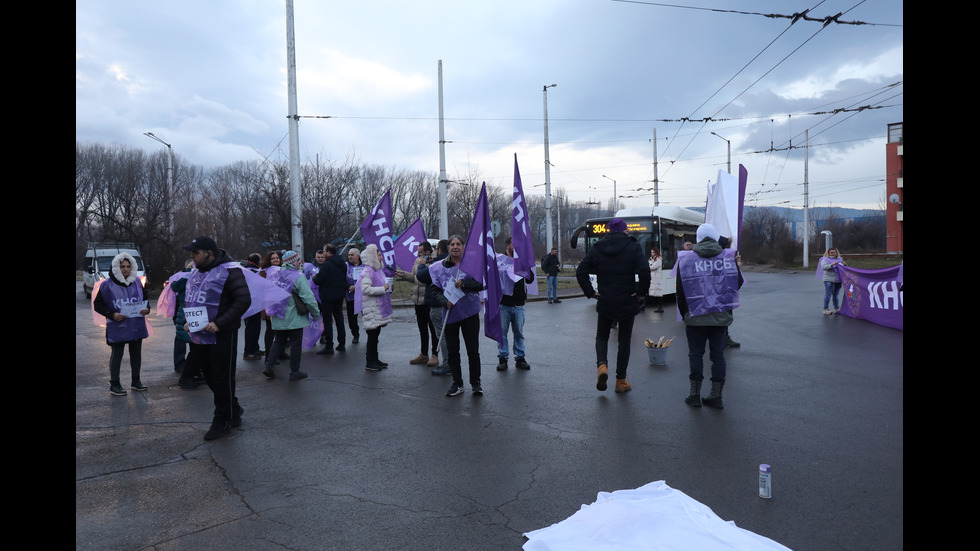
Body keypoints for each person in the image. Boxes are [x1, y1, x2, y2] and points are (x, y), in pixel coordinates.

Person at [181, 236, 251, 440]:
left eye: (196, 253)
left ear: (209, 254)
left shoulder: (231, 271)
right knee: (209, 376)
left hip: (222, 334)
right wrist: (188, 320)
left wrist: (220, 323)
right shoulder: (196, 271)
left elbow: (243, 300)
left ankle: (222, 421)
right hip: (199, 333)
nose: (192, 257)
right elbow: (193, 298)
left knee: (222, 378)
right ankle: (233, 409)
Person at [576, 218, 650, 393]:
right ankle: (621, 381)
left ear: (608, 231)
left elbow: (581, 271)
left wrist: (591, 292)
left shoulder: (598, 247)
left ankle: (602, 365)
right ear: (624, 230)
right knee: (624, 341)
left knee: (602, 336)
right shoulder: (633, 246)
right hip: (627, 300)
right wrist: (640, 293)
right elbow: (645, 271)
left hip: (606, 300)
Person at [676, 223, 744, 409]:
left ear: (697, 238)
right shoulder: (728, 257)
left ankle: (694, 395)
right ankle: (716, 395)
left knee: (696, 355)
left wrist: (685, 313)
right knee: (718, 356)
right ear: (715, 237)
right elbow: (737, 281)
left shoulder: (686, 259)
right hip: (720, 316)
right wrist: (722, 299)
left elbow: (681, 291)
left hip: (695, 316)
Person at [419, 235, 485, 396]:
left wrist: (465, 283)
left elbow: (481, 284)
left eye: (458, 244)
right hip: (449, 314)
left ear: (463, 247)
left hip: (469, 313)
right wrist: (444, 301)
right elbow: (434, 289)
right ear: (448, 248)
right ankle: (457, 383)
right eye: (452, 244)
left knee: (472, 350)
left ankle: (476, 383)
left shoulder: (471, 265)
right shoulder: (438, 267)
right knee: (453, 351)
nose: (455, 247)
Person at [92, 252, 151, 396]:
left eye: (128, 266)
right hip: (117, 326)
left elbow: (146, 300)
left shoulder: (137, 282)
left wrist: (147, 309)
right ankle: (115, 383)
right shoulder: (107, 285)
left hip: (136, 325)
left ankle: (136, 381)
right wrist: (111, 314)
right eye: (122, 266)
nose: (125, 269)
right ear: (116, 267)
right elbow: (97, 304)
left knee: (136, 354)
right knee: (117, 355)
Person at [262, 250, 320, 381]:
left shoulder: (275, 275)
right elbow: (308, 298)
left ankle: (269, 367)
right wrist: (315, 313)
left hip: (278, 315)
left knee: (278, 341)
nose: (301, 262)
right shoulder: (298, 277)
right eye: (298, 260)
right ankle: (294, 371)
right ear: (293, 262)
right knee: (295, 344)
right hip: (294, 317)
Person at [395, 241, 439, 366]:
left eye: (421, 252)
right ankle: (423, 354)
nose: (419, 254)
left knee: (432, 328)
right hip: (418, 299)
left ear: (428, 252)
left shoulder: (434, 261)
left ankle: (435, 354)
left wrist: (424, 265)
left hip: (429, 300)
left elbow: (428, 278)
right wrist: (403, 275)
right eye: (418, 252)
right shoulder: (417, 261)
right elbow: (415, 278)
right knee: (422, 328)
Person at [495, 237, 534, 371]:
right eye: (514, 244)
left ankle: (520, 358)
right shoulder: (500, 261)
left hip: (519, 305)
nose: (516, 246)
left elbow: (530, 279)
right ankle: (503, 358)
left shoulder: (521, 260)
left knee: (519, 333)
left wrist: (525, 265)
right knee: (502, 334)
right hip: (503, 304)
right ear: (507, 245)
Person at [355, 244, 393, 371]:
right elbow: (365, 289)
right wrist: (383, 289)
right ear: (373, 257)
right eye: (379, 255)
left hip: (376, 307)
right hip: (370, 308)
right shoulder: (367, 272)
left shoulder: (376, 271)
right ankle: (370, 361)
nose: (381, 257)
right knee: (372, 336)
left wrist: (388, 287)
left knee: (375, 335)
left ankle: (375, 359)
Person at [419, 239, 452, 374]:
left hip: (438, 304)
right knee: (449, 335)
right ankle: (451, 362)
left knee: (442, 335)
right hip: (450, 302)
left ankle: (447, 364)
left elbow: (423, 276)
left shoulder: (436, 264)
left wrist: (422, 265)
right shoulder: (452, 261)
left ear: (439, 250)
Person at [313, 243, 348, 354]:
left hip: (327, 296)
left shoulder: (326, 265)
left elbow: (318, 280)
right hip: (339, 295)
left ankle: (329, 346)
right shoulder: (342, 263)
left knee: (327, 321)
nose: (323, 253)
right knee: (339, 319)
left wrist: (315, 277)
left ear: (328, 252)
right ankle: (342, 344)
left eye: (324, 251)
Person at [260, 250, 284, 360]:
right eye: (273, 258)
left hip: (281, 302)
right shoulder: (264, 272)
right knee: (270, 329)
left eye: (277, 258)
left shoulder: (283, 270)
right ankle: (268, 354)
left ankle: (281, 352)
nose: (275, 260)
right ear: (269, 260)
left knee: (282, 329)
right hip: (269, 303)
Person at [241, 253, 264, 361]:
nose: (261, 262)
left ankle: (255, 348)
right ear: (256, 262)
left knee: (255, 328)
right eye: (260, 260)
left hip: (251, 304)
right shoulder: (253, 272)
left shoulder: (245, 270)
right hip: (252, 305)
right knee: (251, 329)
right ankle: (249, 352)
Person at [820, 247, 847, 314]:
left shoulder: (840, 260)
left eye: (834, 252)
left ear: (836, 253)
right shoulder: (825, 259)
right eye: (831, 252)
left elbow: (844, 269)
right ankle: (826, 309)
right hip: (828, 279)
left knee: (836, 294)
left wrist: (845, 265)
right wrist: (831, 265)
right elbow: (823, 267)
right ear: (828, 253)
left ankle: (836, 308)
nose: (833, 253)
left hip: (837, 279)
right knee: (828, 294)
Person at [344, 247, 362, 344]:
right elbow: (341, 279)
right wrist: (348, 287)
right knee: (352, 318)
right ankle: (355, 334)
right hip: (351, 296)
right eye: (349, 255)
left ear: (358, 256)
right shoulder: (345, 266)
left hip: (364, 296)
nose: (350, 257)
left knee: (367, 316)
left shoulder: (364, 265)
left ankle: (371, 334)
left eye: (352, 255)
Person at [647, 247, 664, 313]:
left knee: (658, 292)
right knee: (649, 291)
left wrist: (649, 266)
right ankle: (643, 305)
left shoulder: (658, 259)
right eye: (651, 252)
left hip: (656, 278)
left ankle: (660, 307)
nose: (652, 253)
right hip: (652, 277)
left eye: (653, 252)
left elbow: (653, 267)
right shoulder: (651, 259)